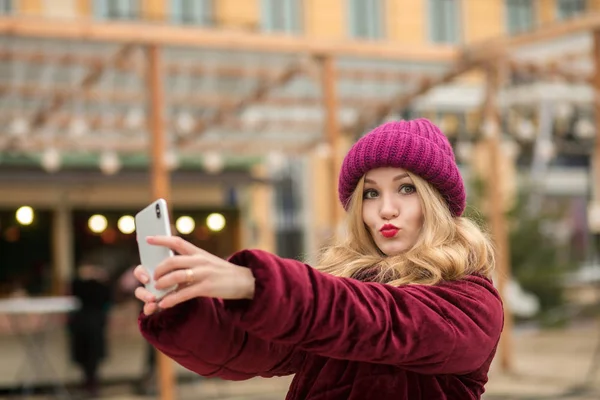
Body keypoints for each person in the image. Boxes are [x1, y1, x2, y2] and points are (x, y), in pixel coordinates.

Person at [133, 119, 504, 399]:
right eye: (370, 194)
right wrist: (185, 305)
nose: (385, 210)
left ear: (437, 201)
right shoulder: (339, 294)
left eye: (406, 189)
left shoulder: (471, 300)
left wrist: (253, 283)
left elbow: (381, 320)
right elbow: (253, 350)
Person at [67, 262, 112, 397]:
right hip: (84, 325)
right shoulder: (78, 284)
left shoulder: (99, 285)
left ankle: (91, 383)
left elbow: (107, 298)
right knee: (86, 356)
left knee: (92, 357)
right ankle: (89, 382)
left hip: (93, 325)